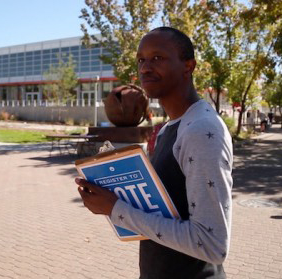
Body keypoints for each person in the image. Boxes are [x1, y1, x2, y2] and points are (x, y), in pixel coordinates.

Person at [76, 27, 232, 279]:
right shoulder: (168, 128)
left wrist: (116, 209)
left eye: (157, 57)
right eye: (141, 60)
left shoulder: (202, 131)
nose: (145, 67)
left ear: (188, 66)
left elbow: (212, 244)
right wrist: (110, 194)